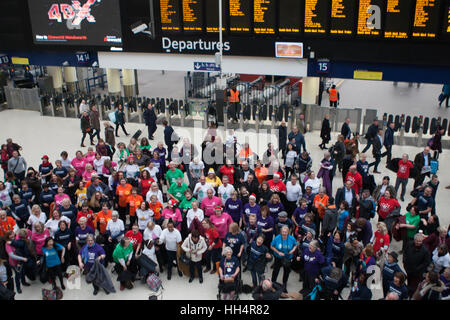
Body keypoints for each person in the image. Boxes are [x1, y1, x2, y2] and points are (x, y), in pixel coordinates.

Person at [271, 226, 297, 293]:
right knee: (276, 270)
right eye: (283, 231)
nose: (284, 233)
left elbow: (295, 245)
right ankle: (272, 283)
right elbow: (271, 246)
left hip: (288, 257)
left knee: (286, 272)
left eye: (285, 232)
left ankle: (284, 285)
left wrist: (293, 250)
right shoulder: (277, 238)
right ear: (281, 232)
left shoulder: (291, 238)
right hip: (278, 257)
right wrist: (278, 252)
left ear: (288, 232)